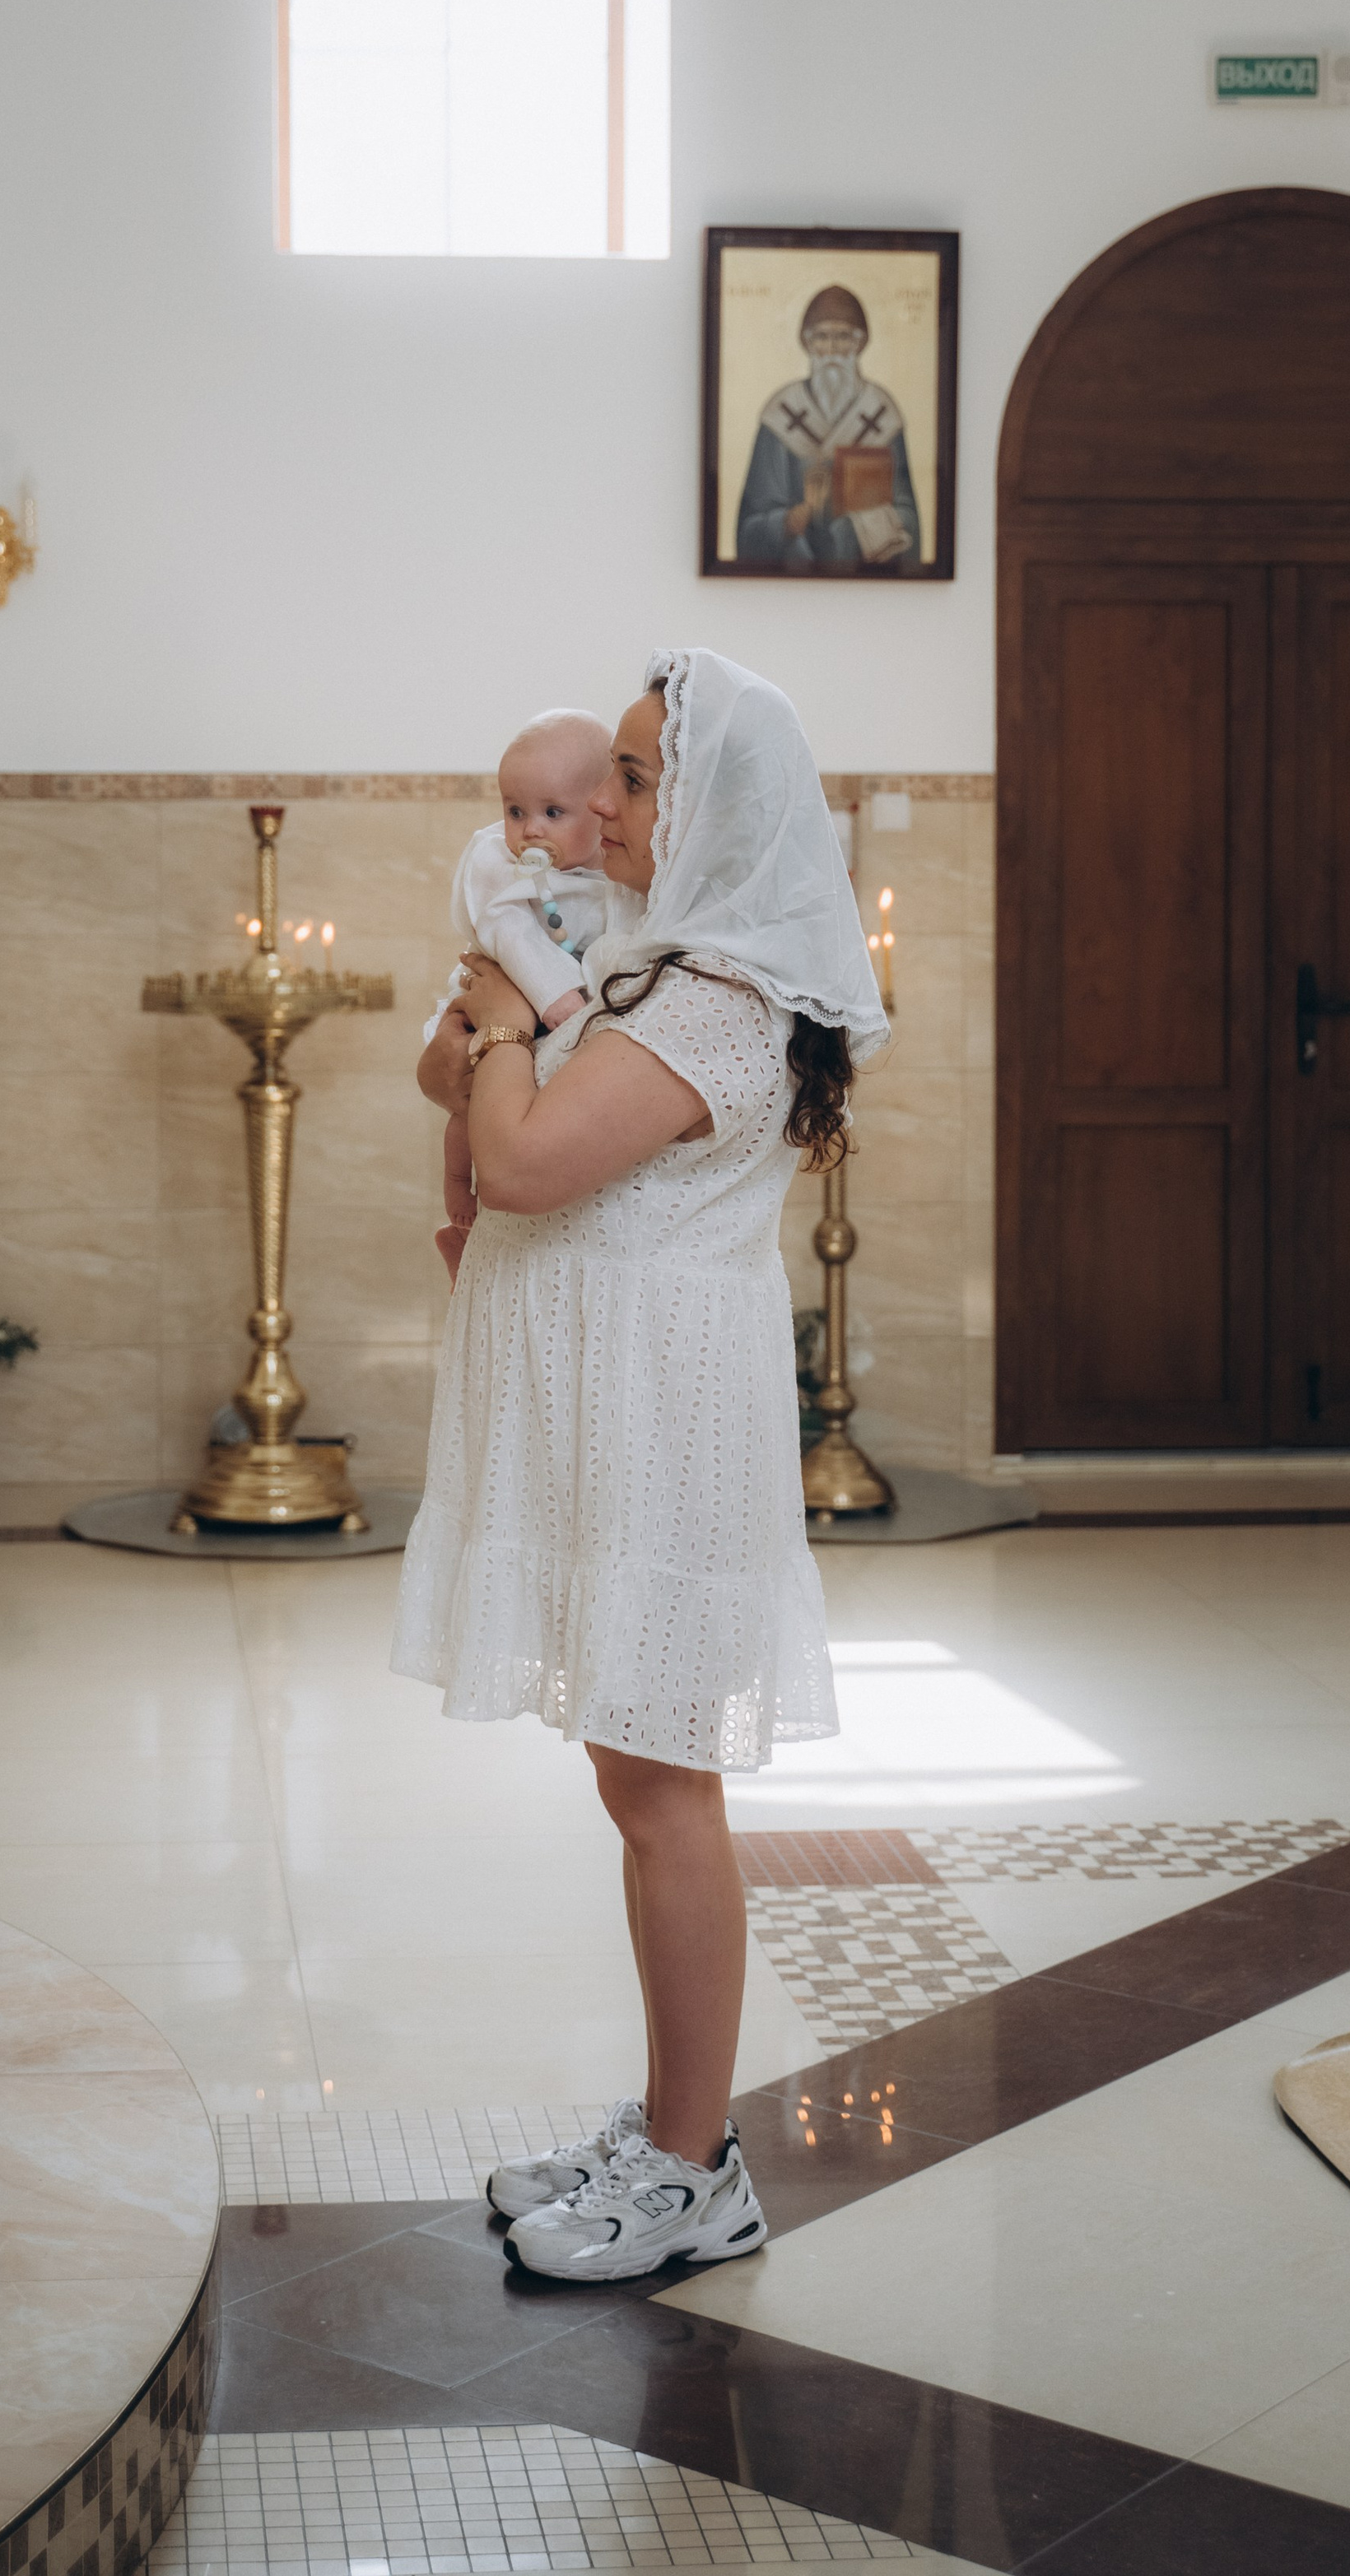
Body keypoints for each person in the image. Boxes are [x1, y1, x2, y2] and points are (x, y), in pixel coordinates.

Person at [395, 646, 889, 2281]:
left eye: (631, 774)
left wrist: (488, 1023)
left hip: (664, 1417)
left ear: (710, 804)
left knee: (667, 1786)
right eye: (601, 771)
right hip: (596, 1405)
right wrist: (482, 1025)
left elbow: (525, 1155)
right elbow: (462, 1070)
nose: (597, 804)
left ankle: (695, 2167)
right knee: (631, 1770)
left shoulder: (721, 1001)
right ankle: (671, 2124)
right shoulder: (635, 961)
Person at [426, 710, 615, 1285]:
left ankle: (480, 1232)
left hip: (555, 1024)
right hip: (512, 1002)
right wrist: (561, 1003)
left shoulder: (610, 868)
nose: (530, 830)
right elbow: (512, 936)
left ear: (599, 807)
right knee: (473, 1112)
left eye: (553, 813)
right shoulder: (497, 864)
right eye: (515, 811)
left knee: (531, 1124)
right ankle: (461, 1209)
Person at [734, 282, 920, 574]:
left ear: (859, 344)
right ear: (808, 344)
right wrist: (786, 522)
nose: (832, 349)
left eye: (843, 337)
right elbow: (751, 523)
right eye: (821, 337)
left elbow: (908, 518)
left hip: (866, 575)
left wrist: (862, 526)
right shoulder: (781, 413)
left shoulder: (881, 413)